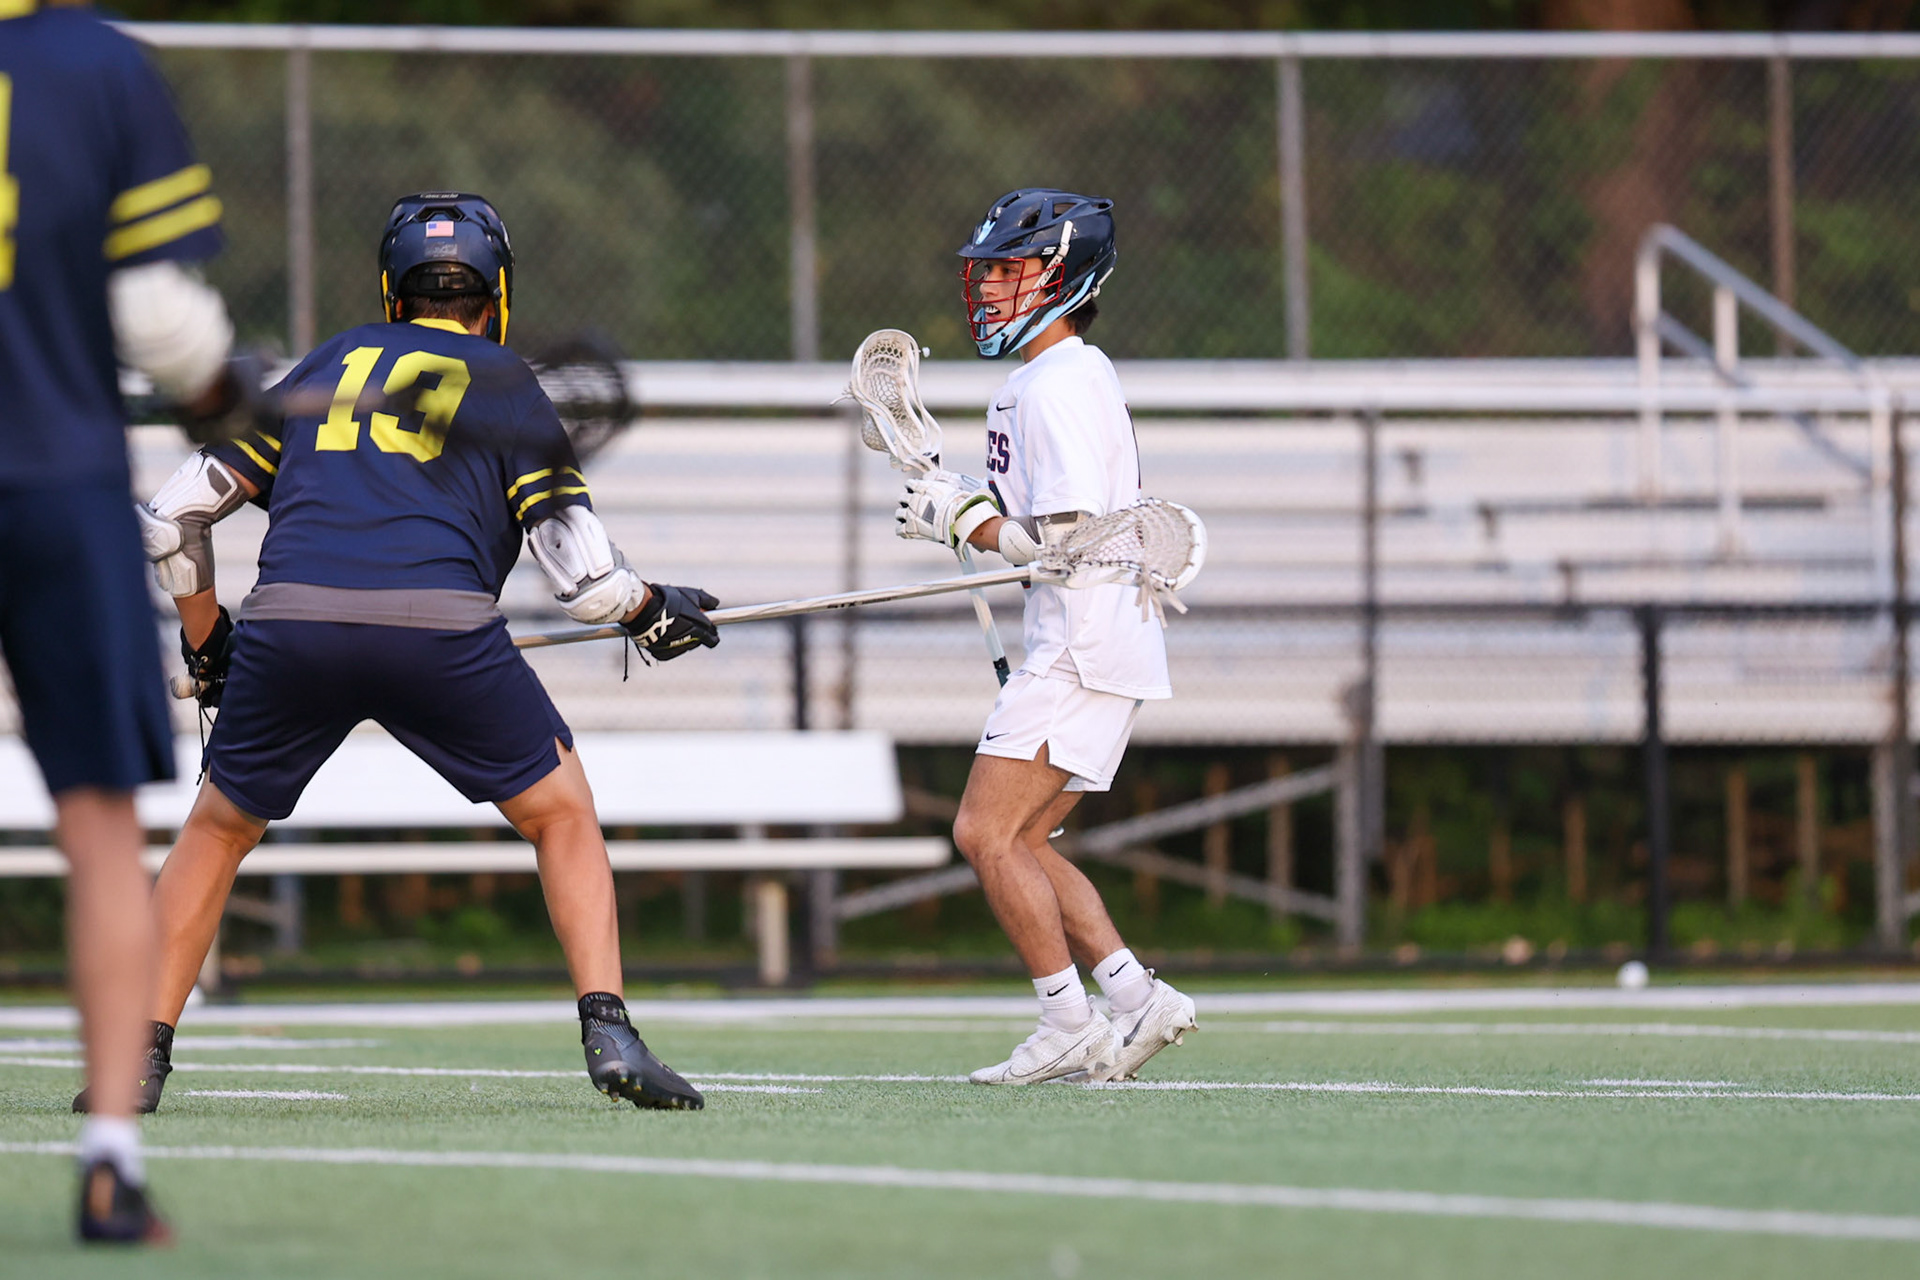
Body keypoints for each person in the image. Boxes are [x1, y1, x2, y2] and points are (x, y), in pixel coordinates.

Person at [86, 191, 720, 1118]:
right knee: (560, 814)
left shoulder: (333, 360)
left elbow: (173, 518)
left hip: (290, 625)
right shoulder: (503, 379)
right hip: (440, 632)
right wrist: (653, 611)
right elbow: (584, 580)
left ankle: (132, 1058)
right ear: (494, 292)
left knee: (217, 833)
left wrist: (209, 641)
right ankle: (609, 1030)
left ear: (395, 289)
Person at [0, 0, 259, 1243]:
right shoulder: (95, 64)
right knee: (100, 833)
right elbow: (160, 321)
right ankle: (108, 1161)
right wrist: (225, 392)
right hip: (52, 482)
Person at [896, 188, 1198, 1086]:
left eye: (1007, 270)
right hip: (1105, 641)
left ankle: (1068, 1020)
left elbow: (1066, 539)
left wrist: (964, 522)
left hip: (1081, 639)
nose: (987, 287)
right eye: (983, 271)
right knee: (1023, 841)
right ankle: (1139, 999)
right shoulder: (1067, 376)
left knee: (984, 834)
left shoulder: (1055, 385)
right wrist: (969, 511)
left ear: (1063, 276)